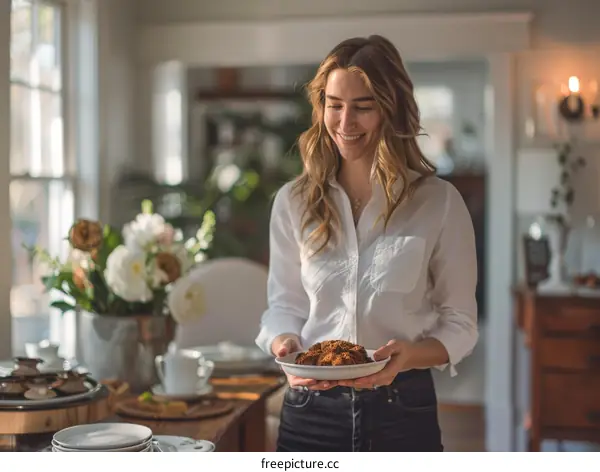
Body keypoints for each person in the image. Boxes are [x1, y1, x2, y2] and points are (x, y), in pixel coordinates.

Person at [255, 34, 478, 452]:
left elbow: (461, 325)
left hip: (403, 412)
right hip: (309, 413)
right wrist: (282, 341)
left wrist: (408, 356)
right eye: (334, 105)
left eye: (363, 107)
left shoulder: (439, 203)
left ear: (392, 110)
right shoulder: (293, 201)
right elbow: (283, 304)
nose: (344, 123)